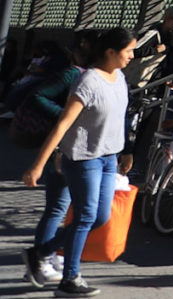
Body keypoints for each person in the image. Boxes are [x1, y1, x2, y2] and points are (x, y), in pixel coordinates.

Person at [21, 27, 137, 295]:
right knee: (85, 216)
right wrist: (38, 165)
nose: (132, 55)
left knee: (99, 217)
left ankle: (40, 252)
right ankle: (69, 279)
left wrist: (127, 149)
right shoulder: (89, 83)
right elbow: (62, 126)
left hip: (109, 158)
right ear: (110, 52)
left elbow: (121, 117)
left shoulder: (119, 77)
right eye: (128, 50)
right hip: (84, 159)